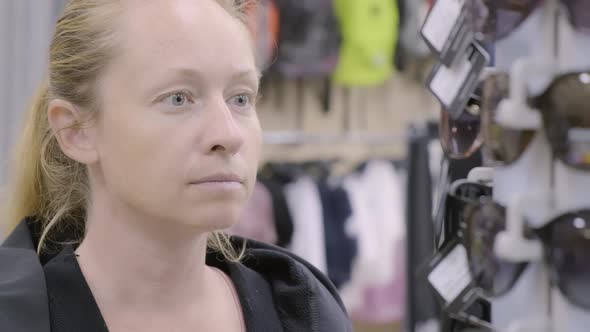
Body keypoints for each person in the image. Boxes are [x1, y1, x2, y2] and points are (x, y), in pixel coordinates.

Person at [0, 0, 352, 331]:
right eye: (178, 98)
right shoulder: (20, 316)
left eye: (240, 98)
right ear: (75, 131)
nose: (228, 134)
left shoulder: (304, 311)